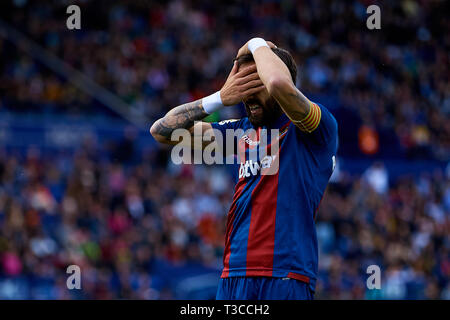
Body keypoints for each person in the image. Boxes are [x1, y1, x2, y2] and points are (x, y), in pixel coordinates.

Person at [150, 37, 338, 300]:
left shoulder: (314, 129)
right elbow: (161, 131)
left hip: (284, 275)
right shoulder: (241, 132)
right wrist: (219, 97)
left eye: (255, 85)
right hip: (233, 275)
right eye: (243, 87)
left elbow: (278, 83)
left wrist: (255, 43)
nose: (247, 96)